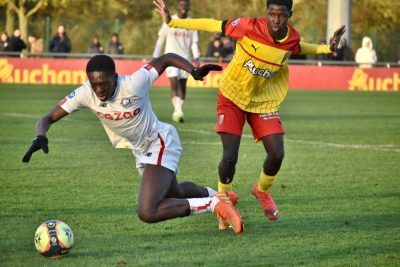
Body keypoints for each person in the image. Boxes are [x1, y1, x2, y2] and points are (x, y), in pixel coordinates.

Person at [154, 0, 345, 227]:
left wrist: (327, 48)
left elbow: (298, 47)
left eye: (281, 15)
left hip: (263, 100)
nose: (275, 20)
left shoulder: (291, 37)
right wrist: (173, 22)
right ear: (265, 13)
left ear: (289, 15)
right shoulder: (248, 26)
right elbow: (213, 24)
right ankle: (223, 200)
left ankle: (261, 191)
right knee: (230, 156)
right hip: (232, 95)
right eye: (271, 14)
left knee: (277, 153)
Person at [21, 53, 243, 234]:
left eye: (104, 83)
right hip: (140, 151)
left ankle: (215, 205)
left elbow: (165, 58)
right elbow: (47, 118)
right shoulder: (85, 93)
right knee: (173, 193)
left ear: (115, 77)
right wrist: (40, 136)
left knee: (148, 211)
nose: (99, 90)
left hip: (159, 141)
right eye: (94, 84)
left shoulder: (133, 83)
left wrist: (192, 70)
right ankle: (216, 195)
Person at [152, 0, 200, 123]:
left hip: (186, 59)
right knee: (174, 83)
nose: (183, 7)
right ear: (178, 7)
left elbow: (194, 42)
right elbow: (161, 38)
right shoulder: (169, 20)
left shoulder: (191, 23)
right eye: (181, 5)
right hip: (170, 58)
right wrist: (155, 56)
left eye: (186, 5)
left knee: (182, 86)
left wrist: (196, 56)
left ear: (189, 7)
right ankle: (178, 111)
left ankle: (178, 110)